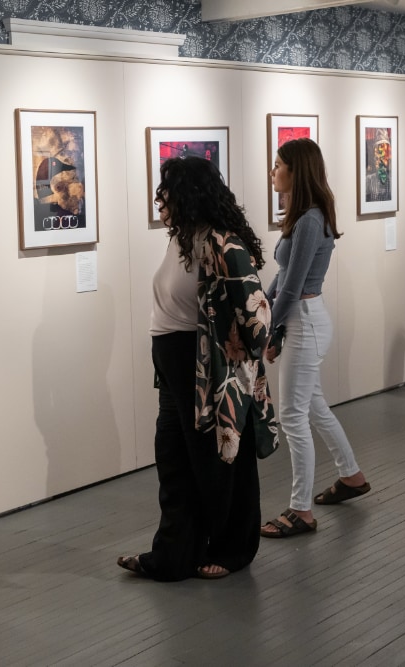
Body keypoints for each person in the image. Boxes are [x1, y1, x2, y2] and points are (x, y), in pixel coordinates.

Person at [117, 156, 276, 580]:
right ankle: (174, 554)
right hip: (172, 364)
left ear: (188, 195)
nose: (160, 199)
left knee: (218, 460)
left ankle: (234, 548)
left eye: (166, 191)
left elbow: (258, 315)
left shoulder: (222, 243)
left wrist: (238, 358)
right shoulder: (181, 239)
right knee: (173, 458)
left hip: (204, 366)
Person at [260, 138, 370, 539]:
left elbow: (293, 287)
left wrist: (269, 329)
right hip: (302, 319)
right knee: (314, 406)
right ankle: (351, 475)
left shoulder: (309, 219)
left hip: (304, 321)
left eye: (278, 165)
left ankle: (300, 511)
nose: (273, 171)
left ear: (297, 171)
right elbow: (283, 276)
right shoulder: (304, 215)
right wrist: (263, 308)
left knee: (292, 416)